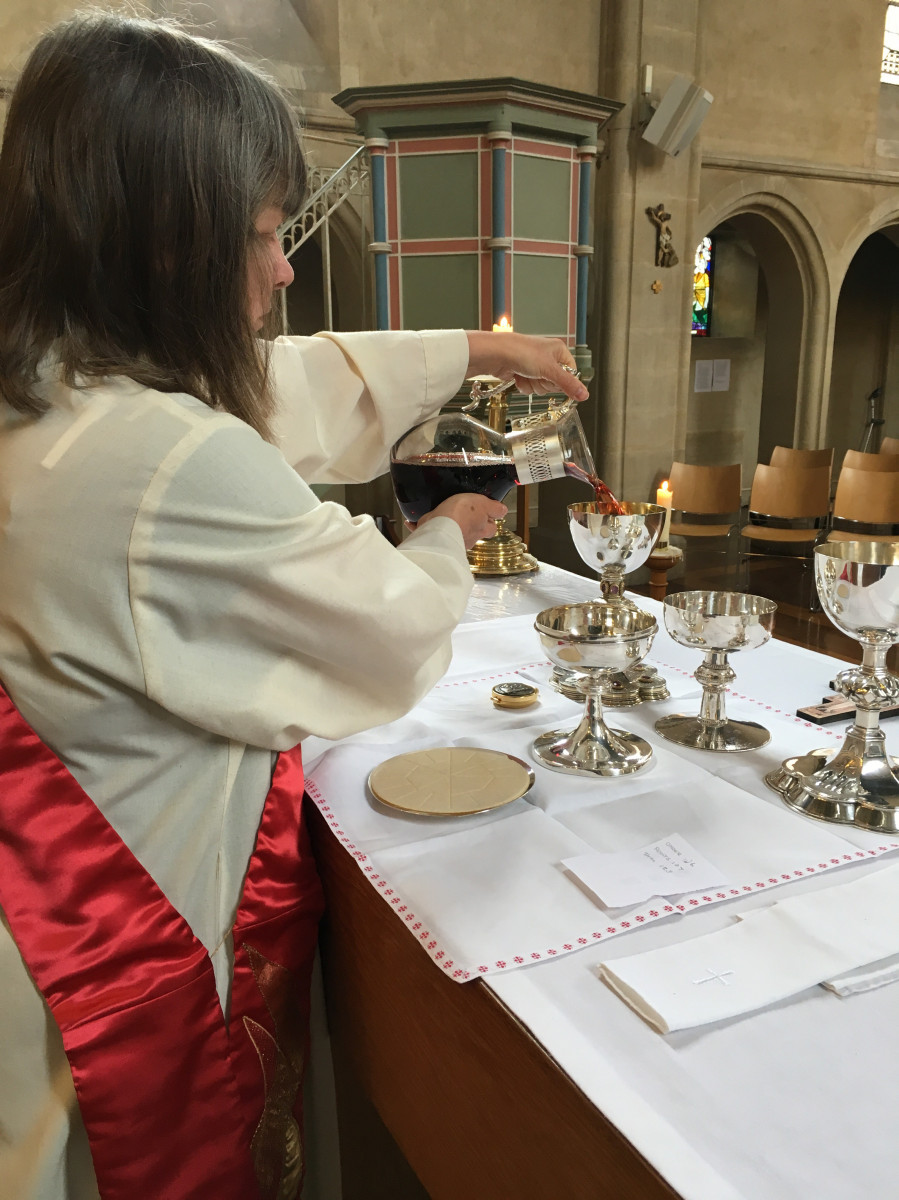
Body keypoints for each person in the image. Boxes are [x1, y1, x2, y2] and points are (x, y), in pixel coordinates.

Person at [0, 12, 587, 1200]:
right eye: (265, 236)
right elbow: (379, 633)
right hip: (133, 931)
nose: (282, 269)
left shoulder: (56, 389)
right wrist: (442, 535)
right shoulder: (155, 459)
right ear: (165, 245)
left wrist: (481, 345)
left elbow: (278, 382)